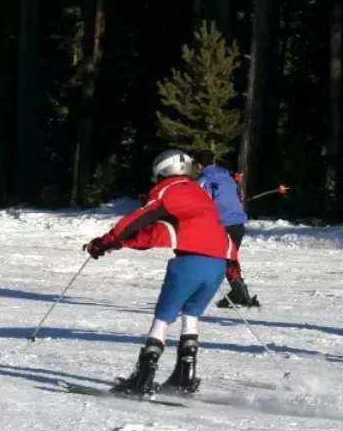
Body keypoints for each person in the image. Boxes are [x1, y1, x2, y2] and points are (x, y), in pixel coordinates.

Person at [84, 149, 232, 395]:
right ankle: (185, 376)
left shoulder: (170, 190)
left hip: (189, 263)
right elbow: (156, 233)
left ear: (162, 170)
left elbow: (138, 220)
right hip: (218, 263)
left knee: (163, 319)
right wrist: (116, 244)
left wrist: (106, 241)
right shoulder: (200, 194)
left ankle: (143, 377)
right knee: (191, 315)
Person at [196, 152, 259, 308]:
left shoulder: (203, 181)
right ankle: (239, 292)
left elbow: (201, 204)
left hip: (222, 225)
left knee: (218, 259)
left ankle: (238, 292)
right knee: (228, 259)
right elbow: (236, 196)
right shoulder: (228, 178)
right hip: (238, 224)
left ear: (198, 165)